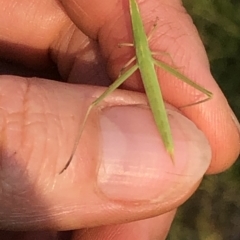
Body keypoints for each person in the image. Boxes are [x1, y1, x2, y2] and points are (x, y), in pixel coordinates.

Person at [0, 0, 239, 239]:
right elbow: (154, 45)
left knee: (201, 93)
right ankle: (75, 152)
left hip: (146, 63)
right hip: (146, 63)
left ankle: (178, 129)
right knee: (96, 102)